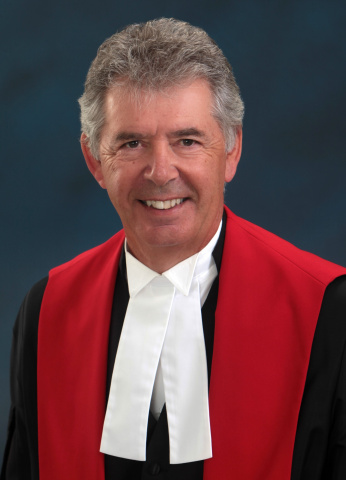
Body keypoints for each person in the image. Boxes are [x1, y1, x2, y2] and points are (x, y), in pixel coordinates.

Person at [1, 18, 346, 480]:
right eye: (132, 143)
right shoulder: (46, 311)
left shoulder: (329, 310)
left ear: (231, 150)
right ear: (94, 160)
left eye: (187, 141)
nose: (161, 171)